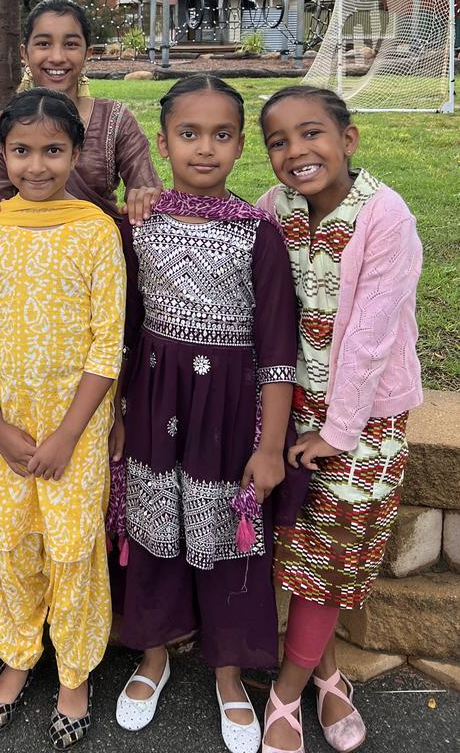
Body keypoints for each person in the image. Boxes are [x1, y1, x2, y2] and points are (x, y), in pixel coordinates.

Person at [113, 76, 300, 753]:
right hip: (154, 401)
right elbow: (123, 326)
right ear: (162, 143)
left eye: (221, 135)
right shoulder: (139, 224)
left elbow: (277, 351)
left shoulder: (259, 235)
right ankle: (153, 655)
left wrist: (270, 447)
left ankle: (229, 674)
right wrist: (119, 412)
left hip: (229, 413)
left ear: (241, 145)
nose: (204, 148)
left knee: (228, 540)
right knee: (154, 527)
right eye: (188, 134)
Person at [257, 86, 423, 753]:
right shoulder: (274, 209)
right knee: (300, 553)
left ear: (347, 140)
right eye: (278, 141)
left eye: (311, 133)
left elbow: (371, 337)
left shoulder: (386, 216)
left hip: (364, 424)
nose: (296, 150)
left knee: (331, 562)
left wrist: (337, 432)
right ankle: (326, 676)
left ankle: (286, 693)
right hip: (289, 410)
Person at [0, 87, 126, 749]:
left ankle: (74, 675)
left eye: (53, 150)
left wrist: (67, 435)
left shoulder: (96, 230)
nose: (36, 166)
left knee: (72, 547)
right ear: (3, 154)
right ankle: (17, 655)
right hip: (2, 422)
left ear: (77, 153)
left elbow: (107, 343)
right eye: (21, 151)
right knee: (6, 543)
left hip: (73, 428)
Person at [0, 0, 160, 218]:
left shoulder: (114, 119)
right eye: (43, 44)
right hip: (21, 237)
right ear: (25, 53)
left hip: (102, 237)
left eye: (70, 45)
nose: (57, 57)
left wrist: (145, 197)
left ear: (87, 53)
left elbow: (146, 190)